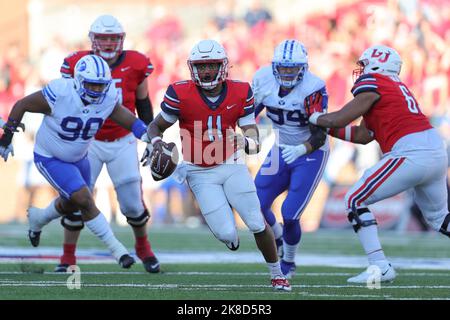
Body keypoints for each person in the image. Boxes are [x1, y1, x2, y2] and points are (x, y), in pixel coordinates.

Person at [144, 39, 291, 291]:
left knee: (256, 221)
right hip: (199, 171)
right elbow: (156, 125)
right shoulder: (179, 93)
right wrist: (156, 142)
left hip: (231, 163)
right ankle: (230, 238)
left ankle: (277, 274)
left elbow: (253, 140)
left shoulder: (241, 91)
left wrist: (244, 140)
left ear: (222, 66)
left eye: (211, 65)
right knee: (226, 233)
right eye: (201, 67)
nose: (207, 71)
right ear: (193, 69)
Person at [306, 44, 450, 283]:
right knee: (439, 218)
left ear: (375, 65)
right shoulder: (393, 87)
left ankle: (379, 266)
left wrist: (313, 117)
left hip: (411, 152)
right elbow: (363, 135)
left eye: (363, 65)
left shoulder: (374, 82)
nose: (360, 71)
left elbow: (342, 117)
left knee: (354, 199)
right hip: (434, 150)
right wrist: (328, 127)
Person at [27, 15, 159, 273]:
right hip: (88, 140)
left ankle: (143, 248)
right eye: (103, 38)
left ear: (121, 39)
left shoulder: (136, 62)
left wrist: (150, 137)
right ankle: (67, 257)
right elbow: (65, 99)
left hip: (123, 139)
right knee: (78, 197)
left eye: (113, 38)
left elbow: (143, 102)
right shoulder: (77, 63)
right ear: (92, 40)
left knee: (132, 203)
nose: (108, 43)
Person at [0, 54, 153, 269]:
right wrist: (6, 138)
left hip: (80, 157)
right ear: (79, 80)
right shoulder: (61, 92)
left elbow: (124, 116)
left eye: (101, 85)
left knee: (73, 202)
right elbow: (22, 105)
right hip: (51, 157)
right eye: (92, 84)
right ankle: (118, 251)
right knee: (84, 199)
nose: (97, 90)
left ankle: (40, 218)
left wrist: (148, 136)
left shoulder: (107, 96)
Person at [251, 39, 328, 279]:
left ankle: (289, 260)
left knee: (291, 213)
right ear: (275, 67)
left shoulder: (313, 87)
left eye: (292, 68)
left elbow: (321, 133)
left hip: (311, 153)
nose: (286, 72)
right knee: (256, 206)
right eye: (283, 68)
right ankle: (278, 240)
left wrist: (303, 149)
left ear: (303, 68)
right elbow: (247, 116)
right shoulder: (263, 79)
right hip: (281, 147)